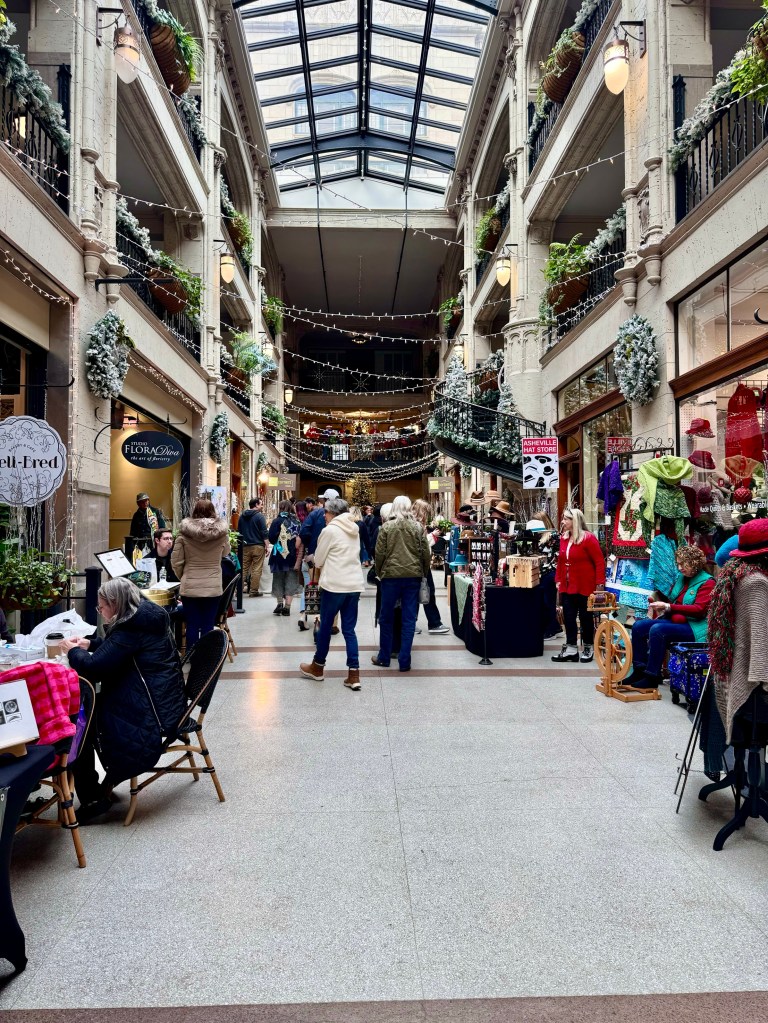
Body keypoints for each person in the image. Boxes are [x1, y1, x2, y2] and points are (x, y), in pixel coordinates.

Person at [62, 577, 186, 822]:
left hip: (151, 708)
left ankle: (92, 798)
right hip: (165, 698)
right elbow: (119, 649)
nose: (100, 611)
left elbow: (95, 667)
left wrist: (72, 650)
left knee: (79, 722)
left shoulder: (131, 627)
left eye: (101, 607)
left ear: (115, 604)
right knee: (86, 714)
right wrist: (91, 643)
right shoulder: (144, 616)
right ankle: (98, 787)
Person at [708, 518, 768, 744]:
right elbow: (760, 642)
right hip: (751, 679)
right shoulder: (757, 582)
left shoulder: (734, 573)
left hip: (734, 667)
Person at [625, 544, 714, 690]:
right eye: (678, 564)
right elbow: (674, 600)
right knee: (639, 627)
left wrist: (668, 607)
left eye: (683, 564)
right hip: (677, 621)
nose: (679, 568)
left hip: (695, 627)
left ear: (695, 563)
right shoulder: (682, 578)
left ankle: (652, 676)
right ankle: (639, 670)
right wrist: (659, 601)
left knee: (658, 630)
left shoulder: (708, 582)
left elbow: (699, 610)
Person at [300, 498, 364, 691]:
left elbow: (318, 560)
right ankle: (354, 674)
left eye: (326, 512)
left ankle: (318, 667)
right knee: (349, 630)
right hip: (353, 584)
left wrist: (314, 558)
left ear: (333, 513)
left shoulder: (330, 530)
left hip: (334, 585)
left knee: (325, 626)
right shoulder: (354, 529)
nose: (324, 516)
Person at [373, 495, 431, 672]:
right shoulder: (417, 527)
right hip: (412, 577)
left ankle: (384, 657)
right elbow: (425, 553)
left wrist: (380, 572)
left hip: (390, 577)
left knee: (386, 617)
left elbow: (379, 553)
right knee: (409, 619)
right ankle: (404, 661)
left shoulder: (386, 527)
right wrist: (423, 572)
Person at [171, 498, 231, 646]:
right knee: (208, 624)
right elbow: (225, 553)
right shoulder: (221, 534)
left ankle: (192, 655)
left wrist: (184, 576)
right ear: (213, 511)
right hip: (213, 586)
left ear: (195, 511)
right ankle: (207, 657)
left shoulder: (184, 534)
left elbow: (176, 561)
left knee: (192, 624)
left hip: (190, 587)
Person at [552, 507, 605, 663]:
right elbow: (561, 562)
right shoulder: (563, 538)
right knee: (568, 617)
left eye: (566, 519)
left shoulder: (588, 538)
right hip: (568, 586)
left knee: (585, 617)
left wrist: (600, 584)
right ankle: (571, 649)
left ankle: (588, 647)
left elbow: (599, 562)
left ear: (574, 520)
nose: (563, 521)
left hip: (586, 585)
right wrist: (558, 580)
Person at [412, 499, 449, 634]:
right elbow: (420, 545)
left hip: (419, 564)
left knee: (419, 593)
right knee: (427, 592)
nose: (427, 515)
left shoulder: (414, 524)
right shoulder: (416, 526)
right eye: (426, 512)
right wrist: (432, 536)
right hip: (421, 565)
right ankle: (433, 623)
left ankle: (413, 623)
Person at [268, 499, 304, 616]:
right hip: (293, 556)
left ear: (280, 508)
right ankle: (287, 607)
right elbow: (300, 539)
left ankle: (279, 603)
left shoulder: (276, 521)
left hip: (278, 555)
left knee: (278, 579)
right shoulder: (297, 521)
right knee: (291, 580)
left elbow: (271, 539)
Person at [238, 497, 268, 596]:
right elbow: (264, 532)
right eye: (261, 504)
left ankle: (238, 591)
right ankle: (253, 591)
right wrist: (267, 546)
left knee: (243, 568)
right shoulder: (260, 516)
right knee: (256, 569)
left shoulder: (242, 516)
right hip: (258, 546)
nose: (262, 506)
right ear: (256, 505)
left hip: (245, 546)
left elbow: (239, 531)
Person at [300, 489, 340, 556]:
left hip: (315, 551)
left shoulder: (315, 513)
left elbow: (304, 532)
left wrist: (311, 543)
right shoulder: (341, 515)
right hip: (335, 553)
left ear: (325, 500)